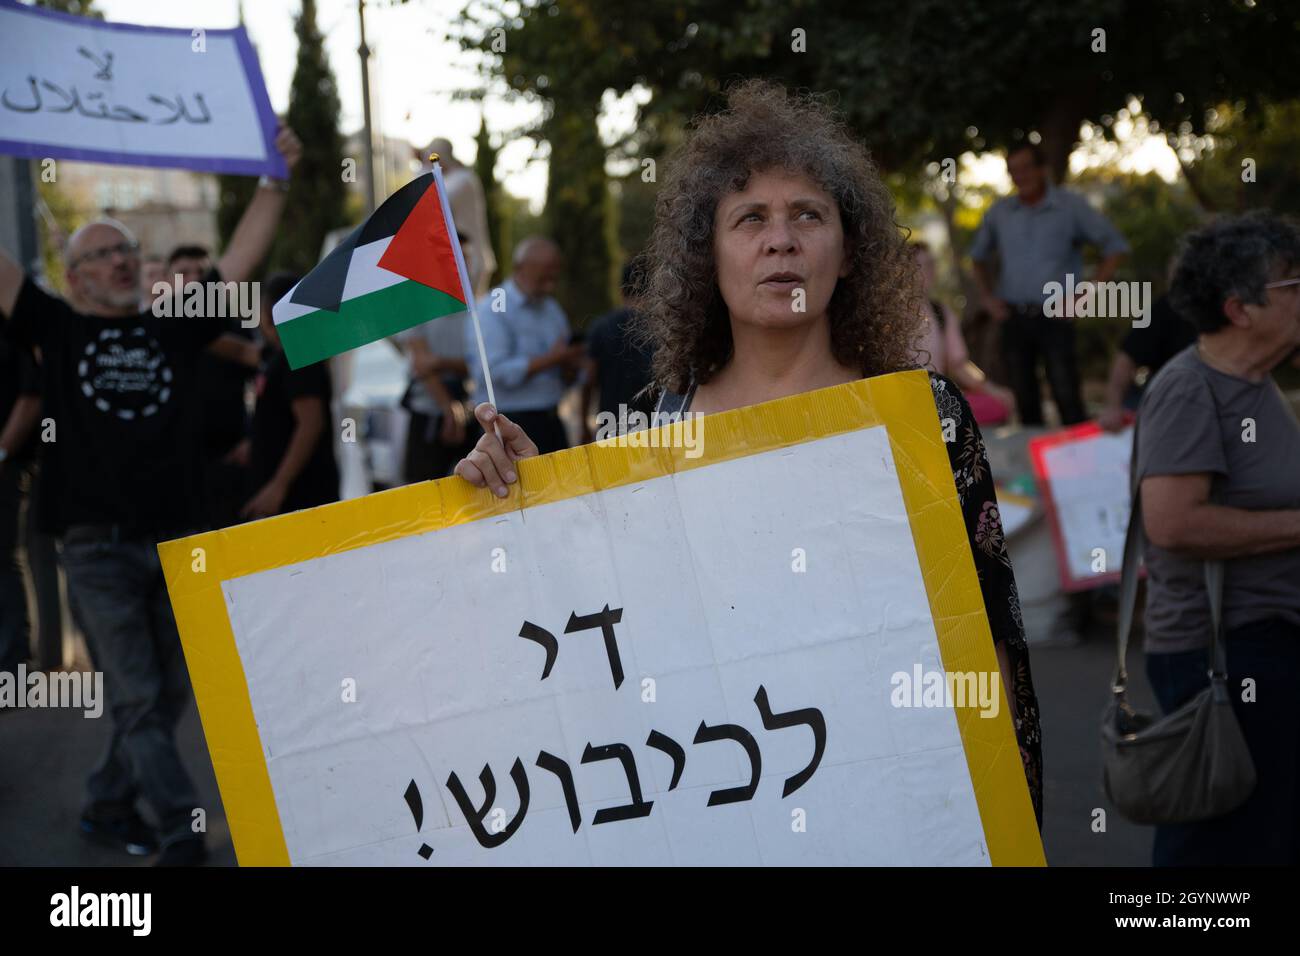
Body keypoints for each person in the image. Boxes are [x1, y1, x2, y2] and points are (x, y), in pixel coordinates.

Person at [454, 80, 1044, 827]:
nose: (781, 240)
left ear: (850, 250)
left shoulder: (924, 419)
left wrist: (994, 821)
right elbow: (595, 623)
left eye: (808, 214)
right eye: (750, 219)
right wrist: (521, 497)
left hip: (894, 809)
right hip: (714, 801)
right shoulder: (645, 430)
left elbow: (982, 637)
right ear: (710, 257)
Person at [0, 125, 301, 865]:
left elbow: (239, 260)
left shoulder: (174, 325)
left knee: (167, 693)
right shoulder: (57, 327)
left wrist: (274, 181)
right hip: (94, 544)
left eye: (127, 249)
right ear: (73, 278)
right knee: (136, 693)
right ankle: (180, 831)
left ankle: (106, 801)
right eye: (102, 252)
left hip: (179, 541)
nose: (122, 259)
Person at [1136, 211, 1300, 866]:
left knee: (1265, 832)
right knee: (1220, 843)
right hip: (1223, 651)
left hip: (1263, 641)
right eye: (1293, 284)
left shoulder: (1257, 386)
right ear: (1241, 308)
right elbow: (1173, 523)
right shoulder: (1188, 390)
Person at [971, 142, 1129, 427]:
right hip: (1014, 316)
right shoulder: (1000, 212)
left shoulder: (1070, 207)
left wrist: (1086, 294)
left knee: (1066, 392)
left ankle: (1081, 462)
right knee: (1024, 397)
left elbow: (1115, 247)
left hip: (1057, 314)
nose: (1021, 176)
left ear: (1042, 169)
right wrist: (987, 297)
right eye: (1013, 170)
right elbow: (977, 257)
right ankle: (1035, 463)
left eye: (1026, 168)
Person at [228, 272, 340, 519]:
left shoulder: (299, 356)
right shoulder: (278, 354)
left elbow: (311, 423)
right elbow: (239, 352)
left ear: (270, 310)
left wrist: (278, 486)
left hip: (300, 499)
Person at [467, 236, 586, 455]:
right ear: (520, 268)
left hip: (550, 421)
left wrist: (570, 366)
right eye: (544, 271)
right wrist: (555, 358)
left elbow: (563, 369)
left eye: (555, 270)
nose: (551, 279)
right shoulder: (495, 306)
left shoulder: (551, 308)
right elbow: (495, 373)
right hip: (508, 425)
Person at [169, 243, 257, 529]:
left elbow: (267, 384)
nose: (193, 278)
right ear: (167, 281)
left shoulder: (235, 326)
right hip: (174, 473)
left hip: (230, 466)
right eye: (183, 272)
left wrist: (253, 438)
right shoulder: (150, 333)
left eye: (201, 272)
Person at [911, 242, 1015, 426]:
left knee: (998, 405)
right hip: (905, 403)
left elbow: (960, 364)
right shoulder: (887, 314)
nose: (928, 270)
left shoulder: (941, 311)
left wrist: (993, 390)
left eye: (930, 264)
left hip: (938, 399)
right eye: (919, 265)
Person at [400, 233, 476, 482]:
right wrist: (448, 409)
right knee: (425, 495)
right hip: (429, 415)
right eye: (457, 258)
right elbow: (421, 364)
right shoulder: (418, 305)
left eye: (467, 258)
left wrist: (442, 362)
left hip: (472, 413)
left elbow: (481, 365)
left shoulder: (478, 307)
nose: (463, 265)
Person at [0, 328, 41, 680]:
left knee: (3, 560)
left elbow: (31, 397)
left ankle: (13, 671)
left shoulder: (13, 327)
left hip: (7, 465)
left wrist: (1, 452)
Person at [581, 255, 657, 441]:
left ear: (621, 290)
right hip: (657, 424)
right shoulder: (665, 327)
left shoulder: (601, 326)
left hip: (612, 425)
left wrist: (583, 423)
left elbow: (588, 379)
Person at [423, 138, 497, 298]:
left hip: (472, 259)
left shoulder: (463, 179)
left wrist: (424, 168)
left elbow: (436, 201)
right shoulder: (452, 179)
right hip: (459, 260)